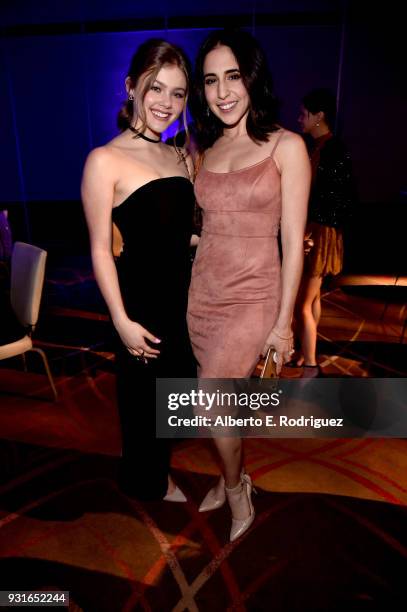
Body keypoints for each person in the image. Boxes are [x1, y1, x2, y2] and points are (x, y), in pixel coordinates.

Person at [187, 29, 310, 540]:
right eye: (212, 80)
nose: (223, 92)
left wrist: (284, 325)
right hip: (203, 294)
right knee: (220, 406)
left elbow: (291, 238)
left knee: (209, 400)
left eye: (233, 76)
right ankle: (230, 474)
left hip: (255, 294)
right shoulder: (204, 148)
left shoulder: (288, 146)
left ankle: (238, 491)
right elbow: (202, 226)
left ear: (252, 78)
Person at [81, 39, 196, 501]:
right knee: (144, 402)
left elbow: (175, 234)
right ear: (131, 87)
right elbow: (99, 250)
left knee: (176, 395)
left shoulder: (180, 156)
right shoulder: (104, 159)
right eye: (156, 88)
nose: (166, 103)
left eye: (178, 93)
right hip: (139, 305)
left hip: (182, 298)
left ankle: (157, 469)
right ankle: (146, 480)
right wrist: (121, 321)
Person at [294, 88, 355, 377]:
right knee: (313, 300)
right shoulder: (319, 147)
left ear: (320, 115)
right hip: (317, 228)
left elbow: (336, 198)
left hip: (319, 231)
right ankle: (307, 351)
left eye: (304, 113)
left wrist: (310, 232)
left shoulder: (332, 149)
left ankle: (310, 364)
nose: (299, 119)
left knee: (302, 303)